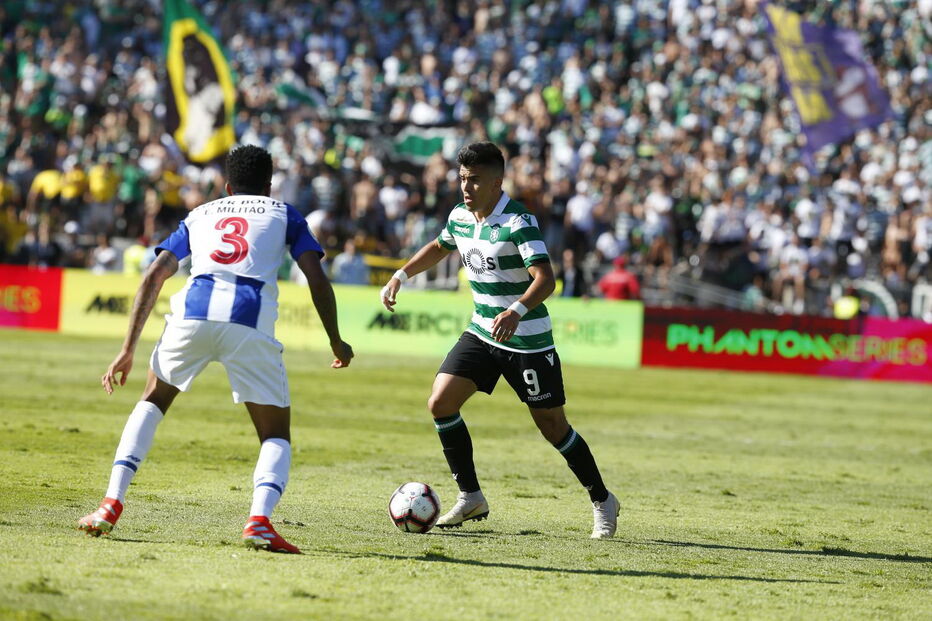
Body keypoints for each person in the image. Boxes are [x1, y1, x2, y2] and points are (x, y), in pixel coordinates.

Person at [78, 145, 354, 554]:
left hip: (191, 315)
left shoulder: (201, 213)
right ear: (268, 184)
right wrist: (335, 339)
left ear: (227, 186)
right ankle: (259, 521)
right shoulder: (284, 213)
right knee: (275, 433)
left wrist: (127, 348)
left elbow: (155, 274)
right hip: (249, 320)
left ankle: (110, 503)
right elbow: (314, 275)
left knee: (152, 401)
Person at [379, 142, 619, 539]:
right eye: (461, 179)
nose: (466, 188)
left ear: (497, 182)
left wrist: (517, 311)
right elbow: (439, 248)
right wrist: (400, 276)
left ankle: (602, 499)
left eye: (473, 180)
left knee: (553, 427)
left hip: (526, 340)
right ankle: (471, 495)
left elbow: (546, 278)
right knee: (440, 402)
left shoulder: (518, 220)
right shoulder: (459, 217)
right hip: (481, 331)